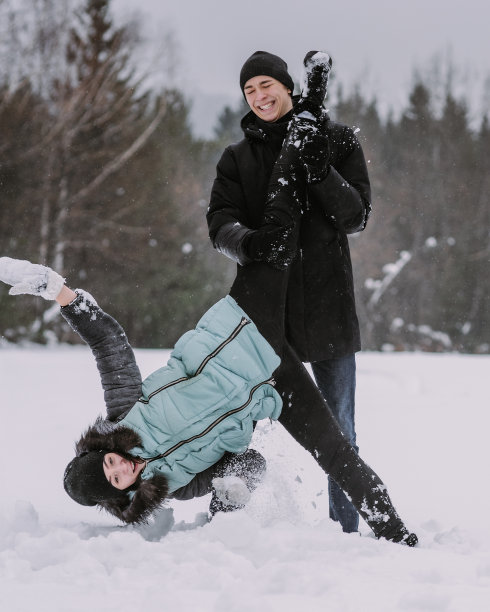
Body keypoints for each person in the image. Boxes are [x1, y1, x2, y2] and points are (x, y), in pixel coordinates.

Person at [0, 53, 417, 545]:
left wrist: (59, 291)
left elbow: (109, 344)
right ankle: (400, 540)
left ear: (101, 448)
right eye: (115, 478)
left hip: (247, 325)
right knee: (333, 449)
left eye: (107, 460)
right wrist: (229, 504)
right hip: (269, 380)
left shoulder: (124, 411)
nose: (119, 465)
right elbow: (244, 465)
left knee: (279, 227)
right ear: (121, 494)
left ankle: (312, 106)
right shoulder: (177, 485)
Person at [208, 50, 371, 533]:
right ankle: (226, 521)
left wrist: (321, 172)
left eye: (266, 85)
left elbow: (355, 217)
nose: (259, 97)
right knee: (241, 423)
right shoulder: (237, 158)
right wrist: (250, 242)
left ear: (287, 87)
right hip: (264, 315)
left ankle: (348, 528)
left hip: (329, 307)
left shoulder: (337, 140)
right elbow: (219, 223)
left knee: (339, 425)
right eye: (249, 90)